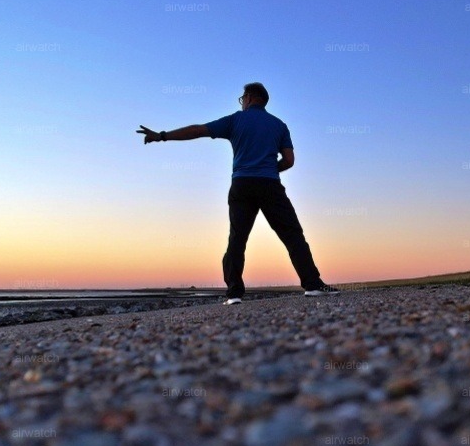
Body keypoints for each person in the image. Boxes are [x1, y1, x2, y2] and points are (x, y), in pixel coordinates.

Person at [137, 82, 338, 305]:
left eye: (243, 98)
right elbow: (289, 161)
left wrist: (162, 136)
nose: (242, 102)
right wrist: (270, 168)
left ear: (250, 98)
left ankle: (234, 294)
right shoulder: (279, 125)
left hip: (242, 184)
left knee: (237, 239)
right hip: (270, 185)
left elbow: (197, 130)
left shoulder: (235, 120)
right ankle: (313, 284)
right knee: (292, 235)